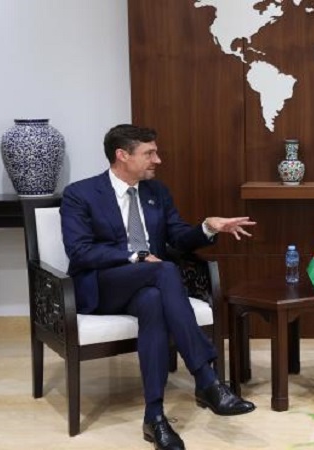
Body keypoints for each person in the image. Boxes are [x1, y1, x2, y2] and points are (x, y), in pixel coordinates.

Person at [61, 124, 257, 450]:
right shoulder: (80, 194)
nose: (158, 160)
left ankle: (154, 417)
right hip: (102, 285)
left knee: (153, 300)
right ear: (122, 155)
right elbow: (79, 251)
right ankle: (206, 380)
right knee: (164, 270)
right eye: (149, 153)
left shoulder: (156, 192)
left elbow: (177, 238)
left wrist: (207, 228)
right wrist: (135, 256)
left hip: (148, 284)